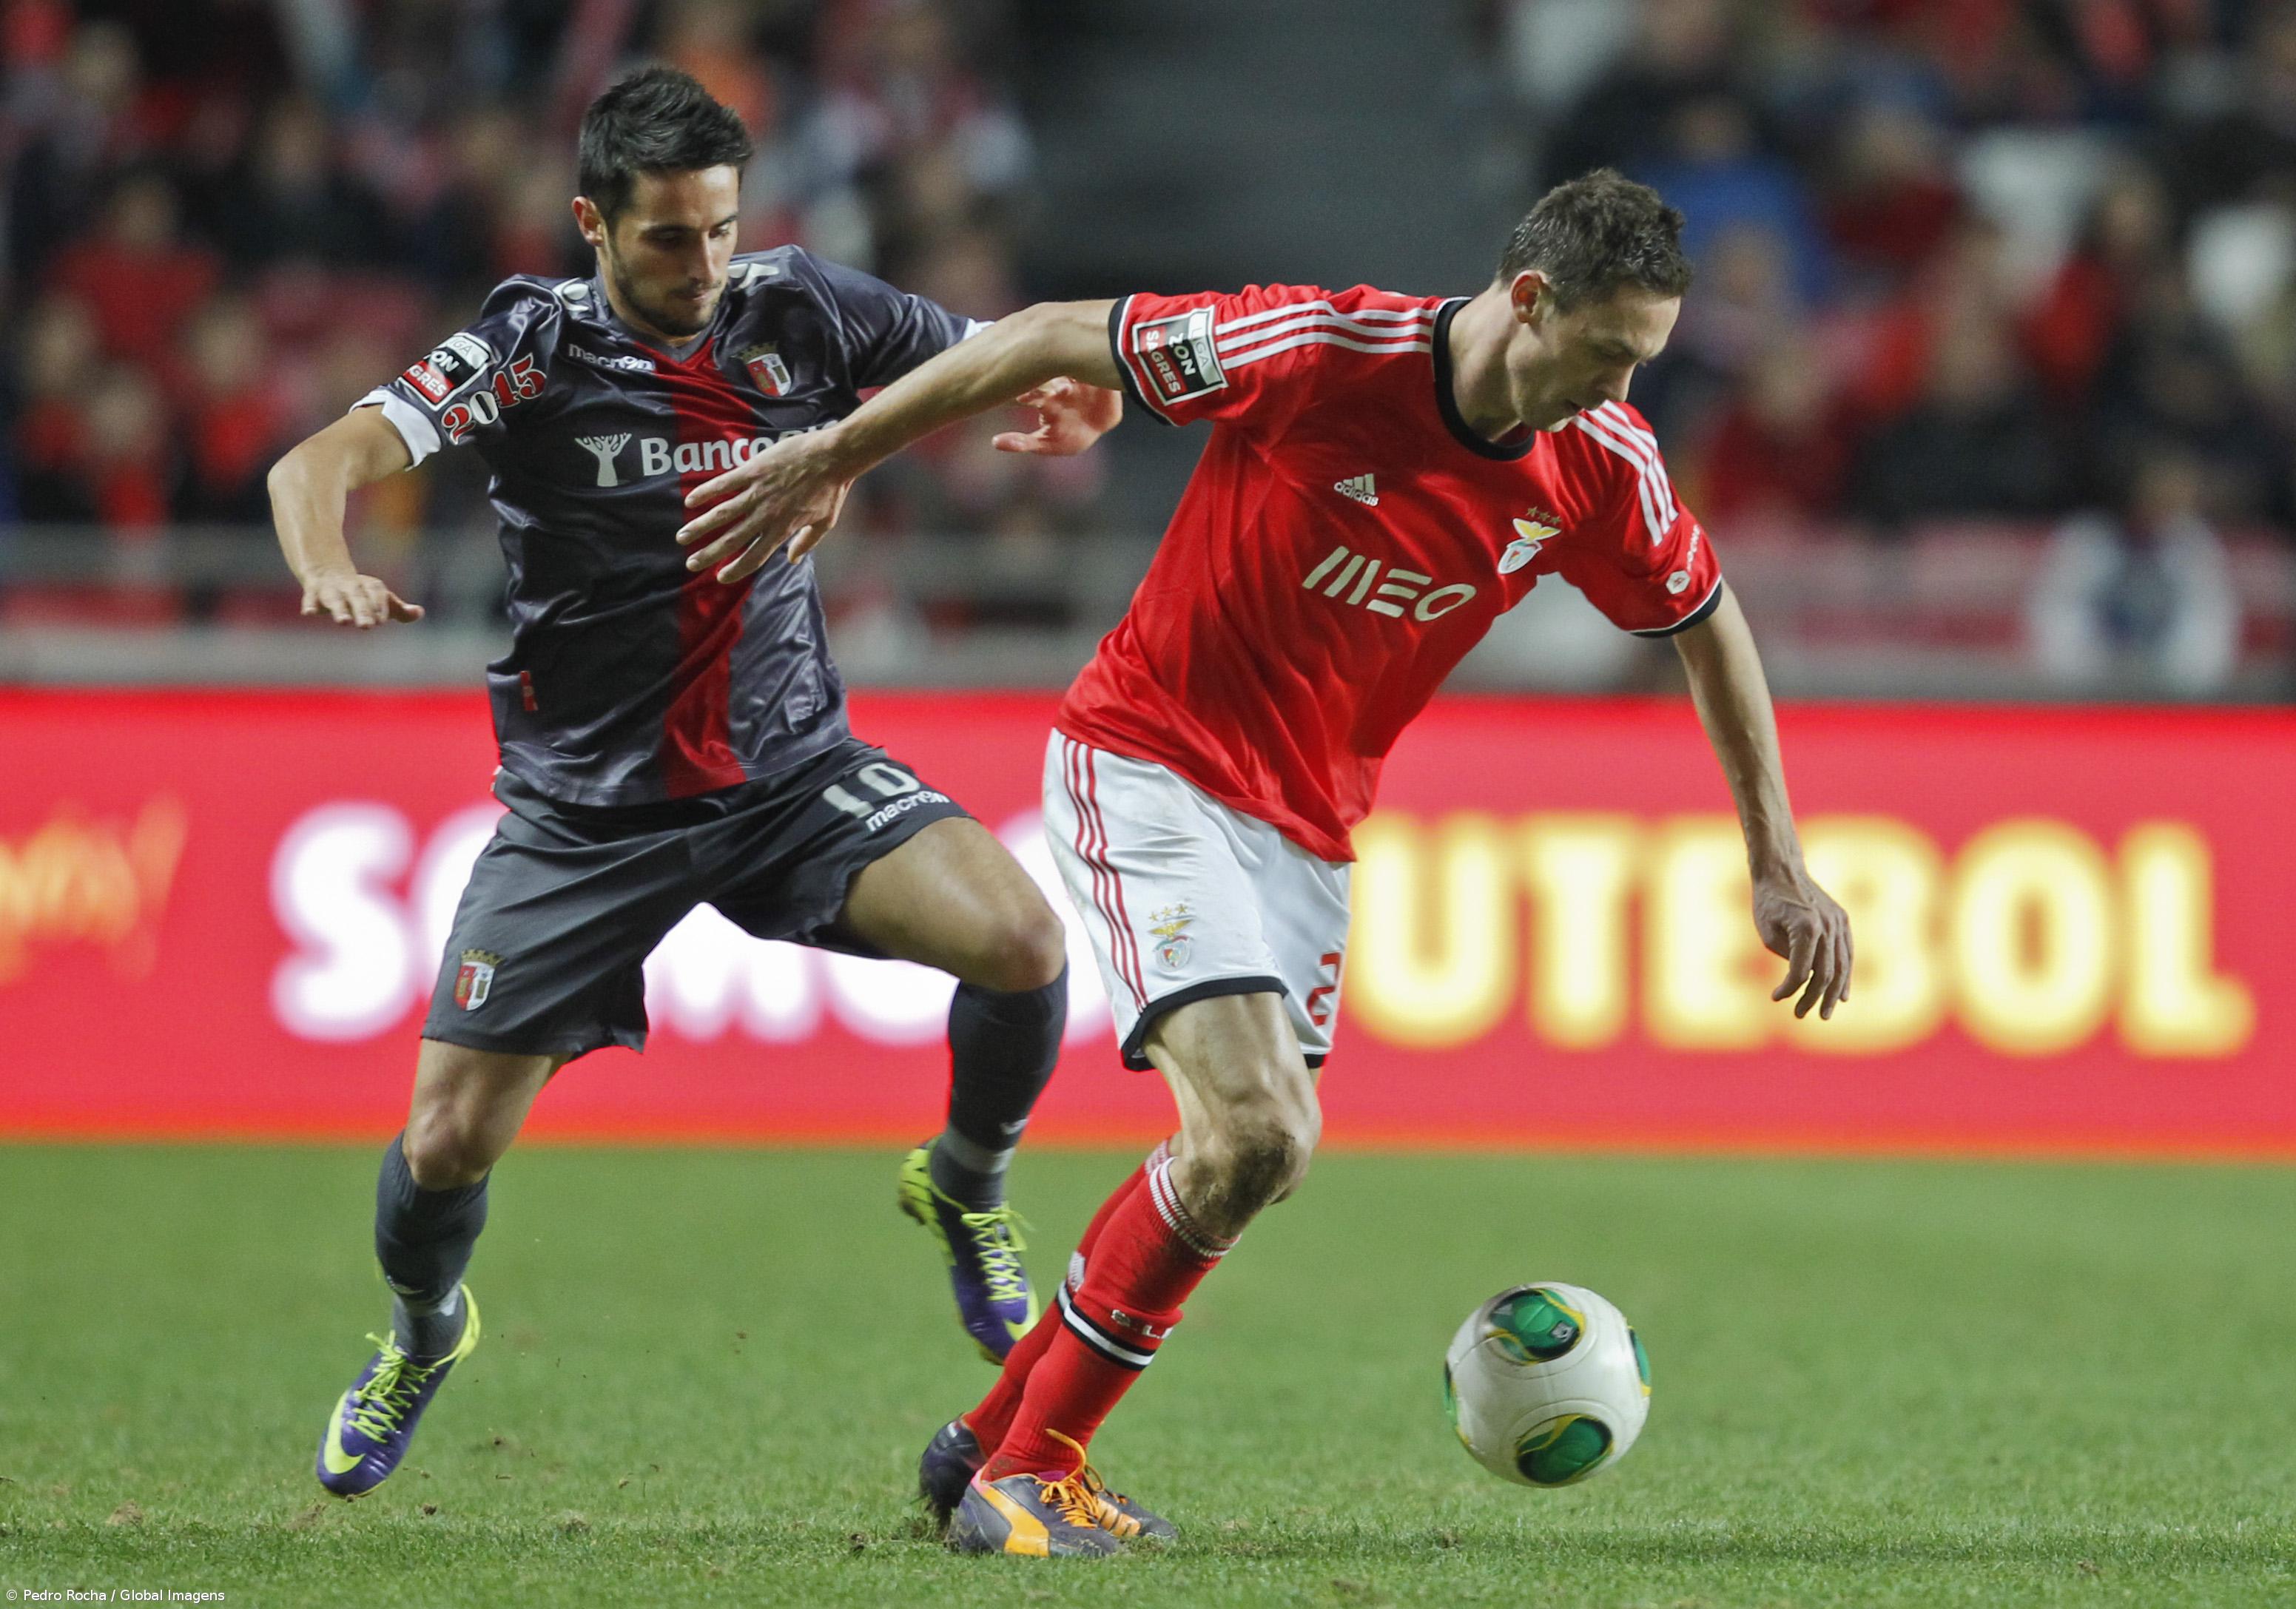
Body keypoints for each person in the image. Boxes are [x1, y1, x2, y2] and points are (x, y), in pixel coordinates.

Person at [679, 168, 1855, 1556]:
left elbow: (1706, 618)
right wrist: (838, 453)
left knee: (1247, 1162)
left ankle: (988, 1439)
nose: (1619, 388)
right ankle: (1032, 1474)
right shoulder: (1318, 350)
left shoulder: (1602, 463)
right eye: (1606, 355)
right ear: (1530, 301)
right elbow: (1055, 330)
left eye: (1641, 364)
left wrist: (1777, 861)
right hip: (1149, 763)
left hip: (1306, 828)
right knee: (1256, 1131)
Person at [266, 67, 1122, 1501]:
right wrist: (327, 561)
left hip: (785, 773)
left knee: (1027, 943)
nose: (705, 264)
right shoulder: (526, 344)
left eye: (722, 228)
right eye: (670, 237)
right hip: (587, 817)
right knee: (443, 1141)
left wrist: (1068, 393)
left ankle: (966, 1179)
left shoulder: (800, 308)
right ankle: (423, 1331)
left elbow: (996, 354)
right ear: (593, 222)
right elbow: (317, 462)